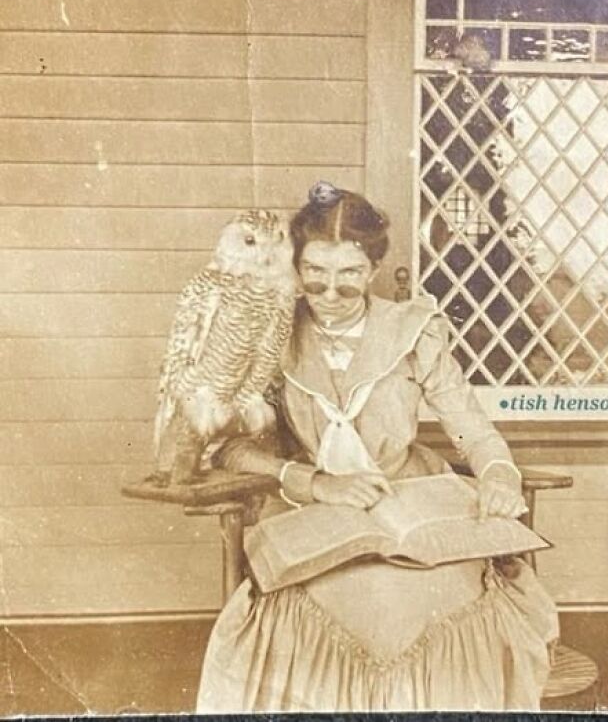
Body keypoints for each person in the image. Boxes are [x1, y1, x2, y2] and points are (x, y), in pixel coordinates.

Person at [197, 183, 558, 713]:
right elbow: (228, 447)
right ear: (295, 266)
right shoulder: (271, 330)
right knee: (359, 596)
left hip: (412, 500)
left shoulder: (413, 330)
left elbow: (471, 430)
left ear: (372, 270)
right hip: (314, 508)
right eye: (315, 273)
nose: (329, 292)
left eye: (349, 275)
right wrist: (314, 483)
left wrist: (499, 474)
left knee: (435, 596)